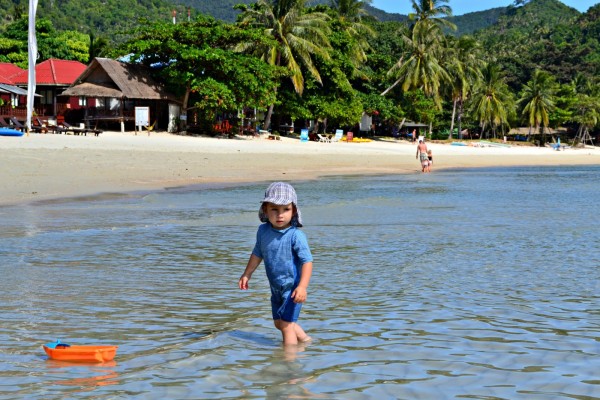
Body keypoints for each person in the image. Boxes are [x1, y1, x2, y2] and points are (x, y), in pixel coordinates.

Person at [239, 182, 314, 346]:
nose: (280, 215)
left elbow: (307, 261)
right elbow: (257, 253)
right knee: (279, 323)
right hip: (275, 287)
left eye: (286, 209)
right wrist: (247, 274)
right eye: (274, 209)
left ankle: (289, 363)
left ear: (293, 210)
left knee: (286, 325)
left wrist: (302, 287)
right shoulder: (263, 231)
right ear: (265, 210)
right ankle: (306, 341)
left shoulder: (295, 235)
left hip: (292, 288)